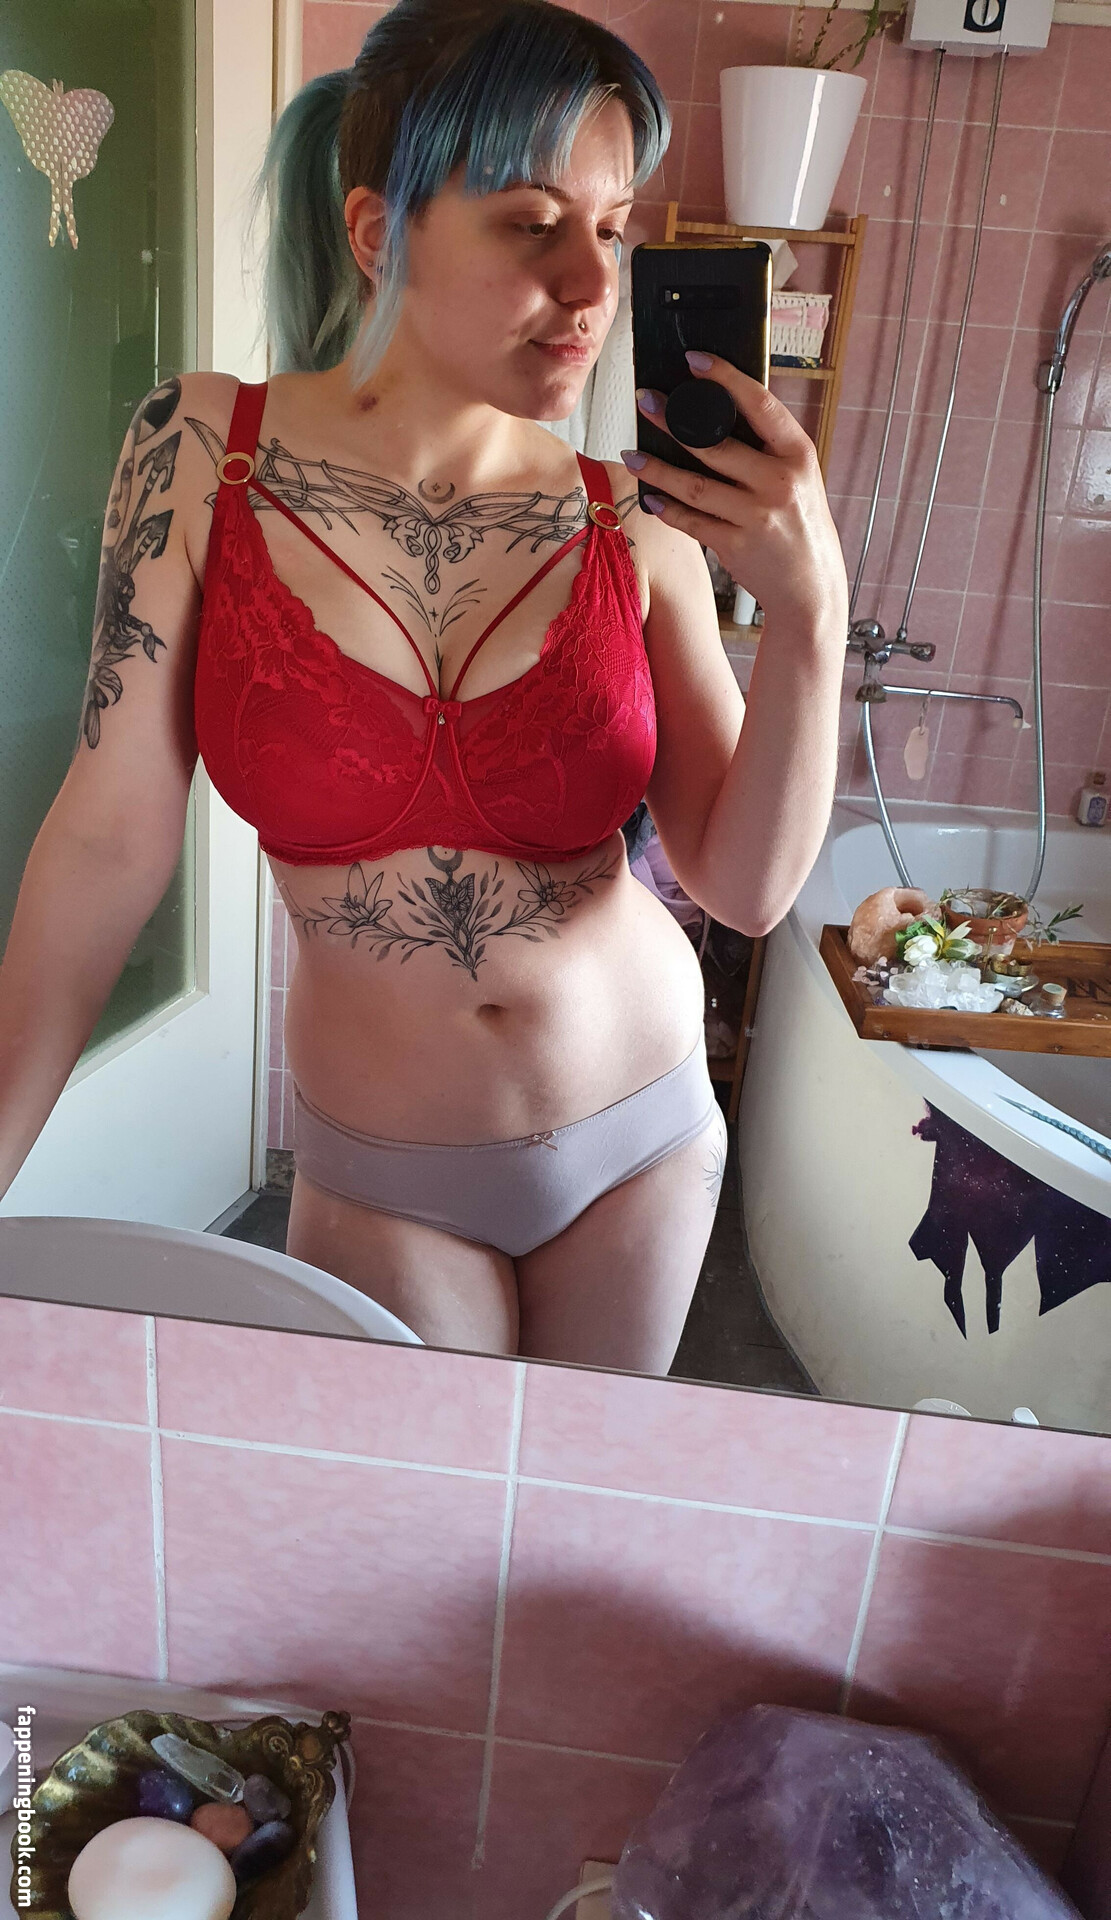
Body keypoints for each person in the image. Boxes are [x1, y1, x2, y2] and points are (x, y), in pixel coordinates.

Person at [0, 0, 847, 1370]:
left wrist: (814, 609)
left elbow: (745, 888)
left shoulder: (634, 526)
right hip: (386, 1169)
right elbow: (105, 841)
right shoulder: (202, 454)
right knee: (419, 1500)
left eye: (613, 228)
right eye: (533, 223)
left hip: (638, 1134)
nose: (592, 283)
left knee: (565, 1492)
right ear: (376, 232)